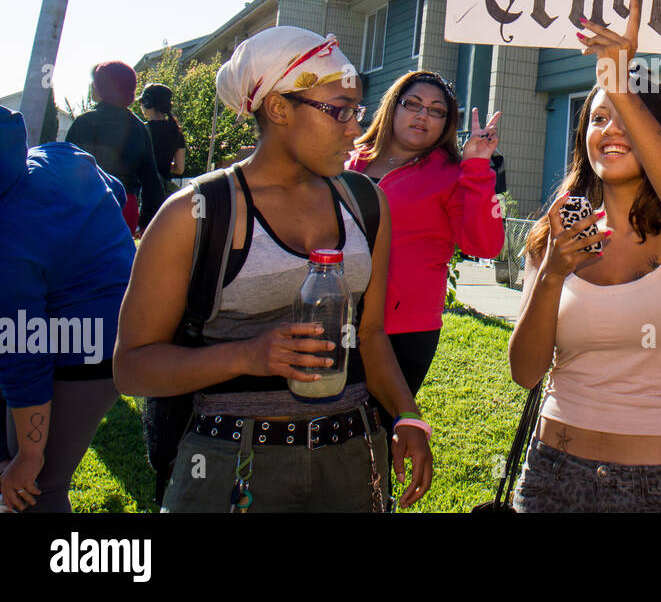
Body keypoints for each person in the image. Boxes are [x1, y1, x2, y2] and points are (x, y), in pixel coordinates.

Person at [114, 27, 432, 512]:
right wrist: (247, 356)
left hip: (350, 456)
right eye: (340, 110)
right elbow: (132, 368)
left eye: (357, 110)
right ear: (280, 109)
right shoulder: (195, 214)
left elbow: (369, 336)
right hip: (229, 464)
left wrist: (407, 416)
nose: (355, 129)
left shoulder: (367, 203)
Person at [507, 0, 661, 512]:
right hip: (553, 475)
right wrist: (553, 274)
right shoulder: (553, 236)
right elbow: (525, 371)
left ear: (658, 136)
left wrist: (620, 79)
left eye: (627, 116)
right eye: (599, 119)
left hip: (656, 486)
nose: (611, 131)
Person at [0, 105, 135, 512]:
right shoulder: (59, 155)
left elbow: (25, 355)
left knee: (37, 486)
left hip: (91, 344)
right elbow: (114, 190)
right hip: (112, 317)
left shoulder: (8, 243)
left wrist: (30, 455)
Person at [346, 70, 504, 399]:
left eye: (436, 111)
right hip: (334, 314)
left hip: (403, 329)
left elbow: (485, 245)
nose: (422, 115)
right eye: (413, 104)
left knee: (381, 429)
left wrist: (476, 168)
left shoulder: (450, 175)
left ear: (446, 123)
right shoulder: (348, 160)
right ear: (393, 106)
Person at [65, 60, 165, 234]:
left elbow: (65, 168)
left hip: (86, 203)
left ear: (102, 88)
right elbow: (150, 179)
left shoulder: (84, 122)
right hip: (126, 205)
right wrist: (148, 218)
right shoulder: (139, 127)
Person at [139, 83, 187, 191]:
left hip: (145, 190)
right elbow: (179, 169)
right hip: (164, 193)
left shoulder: (141, 130)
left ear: (147, 102)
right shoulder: (176, 132)